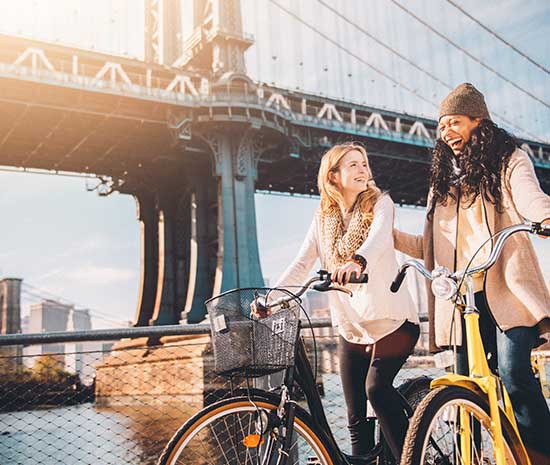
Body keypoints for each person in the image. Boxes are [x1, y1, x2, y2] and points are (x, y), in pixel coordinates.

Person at [394, 82, 550, 463]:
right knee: (466, 389)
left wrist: (544, 214)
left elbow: (528, 194)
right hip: (463, 301)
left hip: (506, 290)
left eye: (454, 122)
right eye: (442, 126)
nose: (446, 133)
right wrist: (387, 236)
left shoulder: (509, 159)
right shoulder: (442, 183)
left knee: (513, 376)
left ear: (479, 121)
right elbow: (428, 248)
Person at [254, 143, 419, 461]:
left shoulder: (381, 204)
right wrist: (270, 299)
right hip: (352, 327)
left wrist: (357, 260)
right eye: (354, 165)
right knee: (355, 417)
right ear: (333, 176)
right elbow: (302, 264)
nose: (363, 170)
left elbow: (379, 237)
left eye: (365, 164)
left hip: (394, 322)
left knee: (377, 390)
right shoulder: (322, 219)